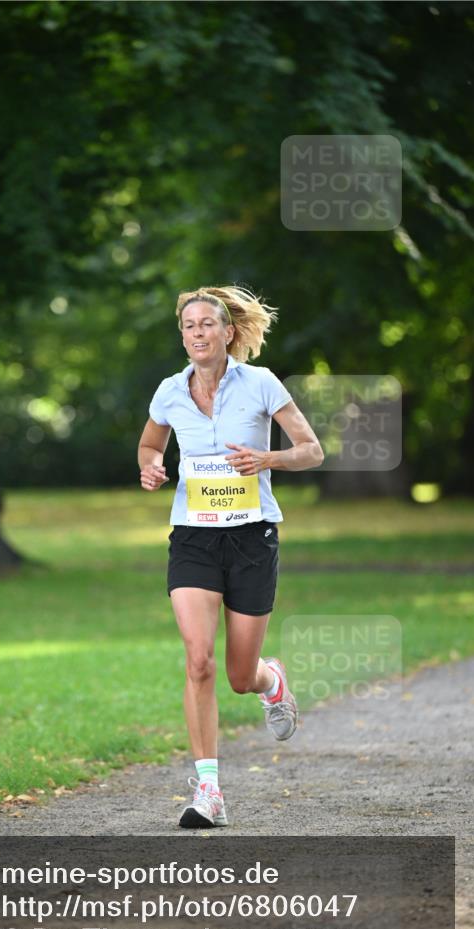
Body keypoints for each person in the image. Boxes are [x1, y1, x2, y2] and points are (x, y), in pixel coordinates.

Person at [138, 285, 324, 829]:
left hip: (251, 537)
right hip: (193, 537)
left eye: (207, 325)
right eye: (189, 326)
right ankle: (209, 792)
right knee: (199, 661)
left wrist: (268, 458)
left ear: (228, 333)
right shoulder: (170, 391)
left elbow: (312, 449)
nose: (197, 333)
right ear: (184, 336)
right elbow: (150, 445)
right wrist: (151, 467)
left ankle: (272, 681)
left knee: (240, 676)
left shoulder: (261, 384)